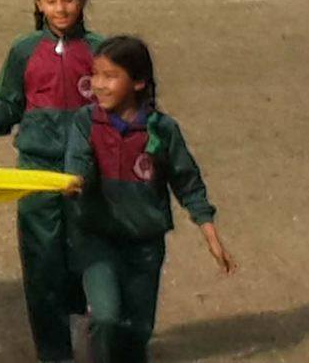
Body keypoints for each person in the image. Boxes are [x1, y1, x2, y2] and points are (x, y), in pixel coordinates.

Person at [0, 0, 102, 363]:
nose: (61, 8)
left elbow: (120, 105)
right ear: (39, 3)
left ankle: (82, 322)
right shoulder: (24, 51)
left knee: (84, 254)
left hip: (87, 172)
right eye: (51, 0)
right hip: (37, 169)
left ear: (83, 0)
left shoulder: (100, 50)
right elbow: (10, 104)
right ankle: (53, 353)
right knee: (42, 261)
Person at [65, 36, 237, 362]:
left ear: (139, 82)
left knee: (137, 331)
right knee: (105, 317)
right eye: (95, 74)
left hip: (145, 245)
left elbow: (188, 183)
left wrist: (211, 236)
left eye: (110, 76)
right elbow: (77, 164)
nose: (98, 84)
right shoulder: (86, 122)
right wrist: (75, 180)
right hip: (97, 239)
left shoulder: (163, 130)